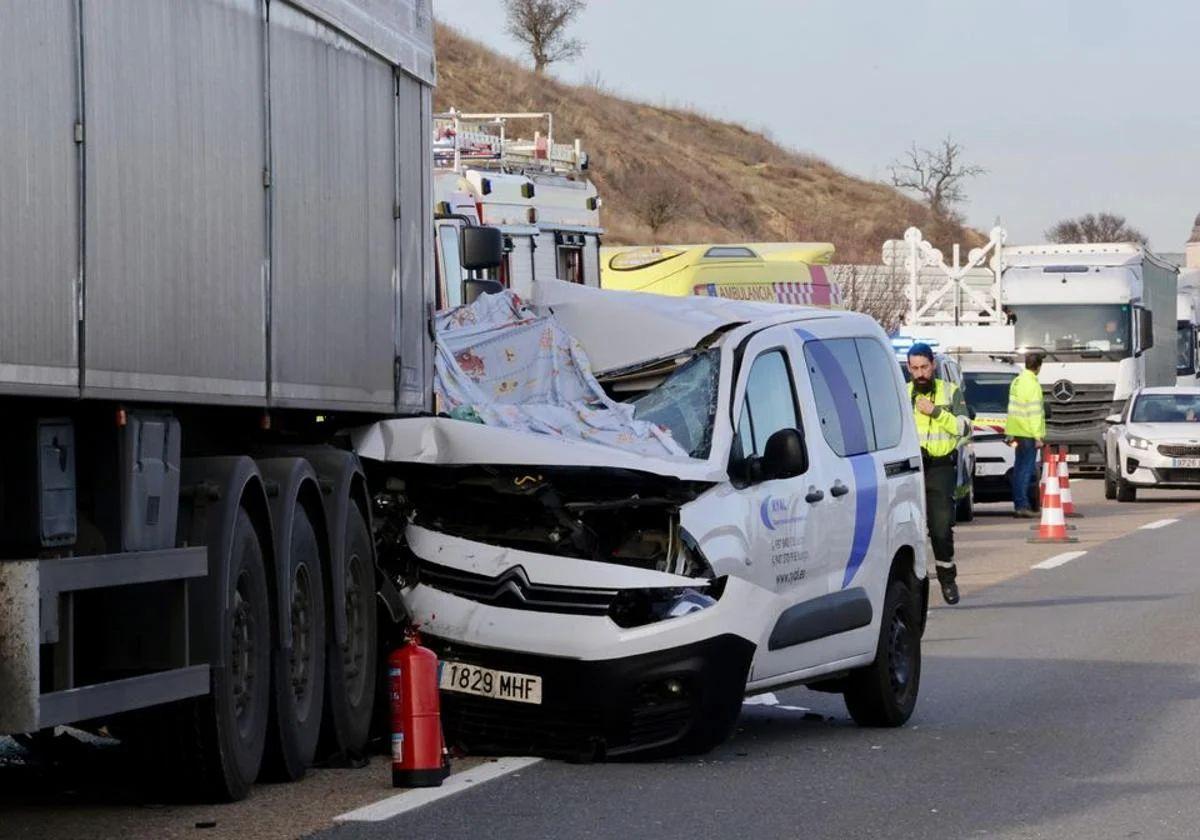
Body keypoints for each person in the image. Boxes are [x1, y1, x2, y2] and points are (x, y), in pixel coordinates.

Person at [907, 344, 969, 605]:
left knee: (941, 527)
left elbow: (964, 427)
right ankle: (912, 588)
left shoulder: (950, 392)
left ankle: (947, 577)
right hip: (911, 468)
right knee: (907, 531)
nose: (920, 373)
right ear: (909, 368)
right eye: (915, 368)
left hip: (941, 466)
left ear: (933, 365)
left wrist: (936, 412)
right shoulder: (902, 394)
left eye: (924, 367)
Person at [1006, 353, 1046, 518]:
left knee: (1019, 469)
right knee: (1025, 470)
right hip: (1028, 433)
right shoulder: (1033, 385)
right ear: (1038, 367)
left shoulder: (1017, 381)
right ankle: (1022, 505)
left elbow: (1012, 408)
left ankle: (1019, 503)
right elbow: (1034, 413)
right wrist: (1038, 436)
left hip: (1016, 430)